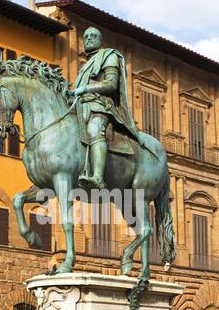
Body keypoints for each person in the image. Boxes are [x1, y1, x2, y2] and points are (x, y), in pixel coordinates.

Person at [68, 26, 158, 190]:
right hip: (82, 105)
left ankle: (97, 177)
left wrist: (86, 89)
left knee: (95, 129)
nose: (88, 38)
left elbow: (111, 84)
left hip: (101, 106)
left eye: (93, 36)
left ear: (100, 40)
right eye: (86, 36)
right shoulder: (85, 65)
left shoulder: (109, 56)